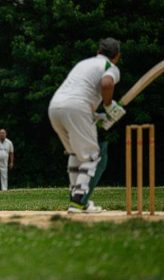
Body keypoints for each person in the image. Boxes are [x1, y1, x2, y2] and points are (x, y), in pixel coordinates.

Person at [48, 38, 125, 213]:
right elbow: (107, 83)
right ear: (117, 56)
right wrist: (108, 105)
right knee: (93, 156)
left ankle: (76, 197)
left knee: (76, 153)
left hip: (55, 107)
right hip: (78, 107)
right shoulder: (110, 68)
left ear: (99, 51)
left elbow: (80, 91)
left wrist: (98, 115)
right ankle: (78, 200)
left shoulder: (84, 63)